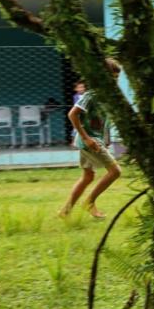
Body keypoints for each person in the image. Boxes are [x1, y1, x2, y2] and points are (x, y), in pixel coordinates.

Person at [59, 60, 122, 219]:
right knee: (115, 171)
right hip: (89, 140)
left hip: (93, 140)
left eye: (116, 79)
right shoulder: (91, 95)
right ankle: (89, 202)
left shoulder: (107, 97)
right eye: (112, 78)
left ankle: (65, 211)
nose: (114, 82)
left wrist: (106, 139)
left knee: (88, 176)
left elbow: (105, 120)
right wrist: (87, 138)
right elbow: (72, 114)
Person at [71, 81, 86, 146]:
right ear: (76, 89)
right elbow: (76, 105)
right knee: (76, 128)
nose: (81, 89)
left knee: (84, 128)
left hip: (85, 114)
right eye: (79, 87)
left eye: (82, 87)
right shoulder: (76, 96)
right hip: (78, 114)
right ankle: (73, 142)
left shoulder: (86, 96)